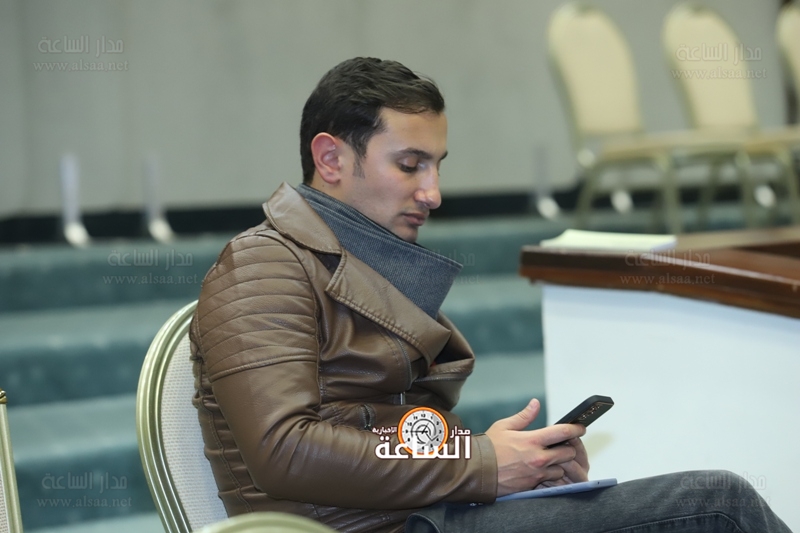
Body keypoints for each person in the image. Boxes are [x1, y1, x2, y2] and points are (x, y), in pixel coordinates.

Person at [190, 57, 791, 533]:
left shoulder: (356, 261)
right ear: (330, 158)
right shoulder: (261, 266)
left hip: (423, 514)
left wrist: (513, 462)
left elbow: (386, 430)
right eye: (410, 165)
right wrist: (481, 465)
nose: (433, 192)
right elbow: (284, 450)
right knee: (720, 504)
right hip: (380, 526)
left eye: (437, 166)